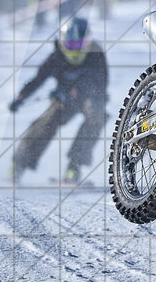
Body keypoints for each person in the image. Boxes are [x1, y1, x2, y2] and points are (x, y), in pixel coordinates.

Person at [7, 17, 108, 183]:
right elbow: (38, 79)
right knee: (46, 123)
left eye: (79, 45)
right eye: (71, 45)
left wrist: (77, 91)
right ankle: (18, 165)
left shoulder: (96, 54)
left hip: (90, 98)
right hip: (63, 100)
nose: (75, 49)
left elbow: (102, 83)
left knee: (96, 116)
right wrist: (21, 98)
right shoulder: (56, 57)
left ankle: (74, 167)